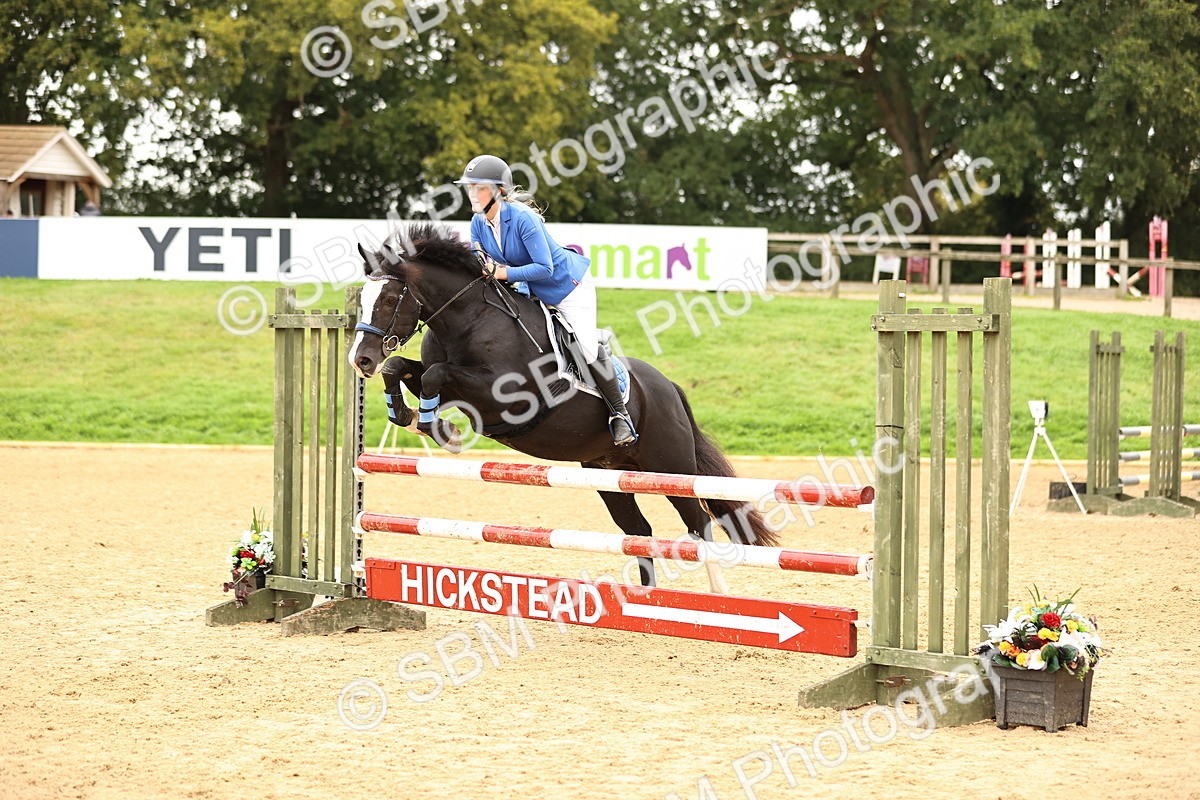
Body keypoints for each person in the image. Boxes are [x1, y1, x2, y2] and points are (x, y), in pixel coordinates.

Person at [455, 154, 637, 446]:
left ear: (499, 190)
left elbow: (544, 268)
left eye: (480, 187)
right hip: (531, 289)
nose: (472, 194)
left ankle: (620, 414)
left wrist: (500, 273)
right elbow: (481, 262)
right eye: (469, 187)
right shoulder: (478, 223)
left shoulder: (523, 219)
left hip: (568, 287)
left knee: (586, 350)